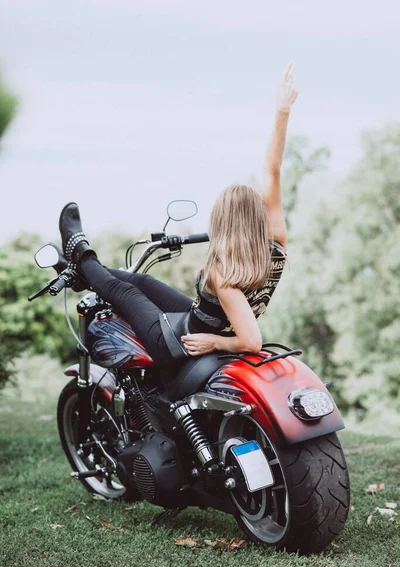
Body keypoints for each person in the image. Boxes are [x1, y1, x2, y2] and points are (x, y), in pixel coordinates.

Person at [59, 63, 298, 367]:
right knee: (141, 281)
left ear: (222, 223)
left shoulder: (223, 273)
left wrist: (214, 342)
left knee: (123, 292)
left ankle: (80, 253)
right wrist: (282, 111)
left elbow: (252, 341)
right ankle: (79, 273)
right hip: (201, 319)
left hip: (180, 343)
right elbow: (273, 170)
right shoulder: (276, 242)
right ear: (257, 218)